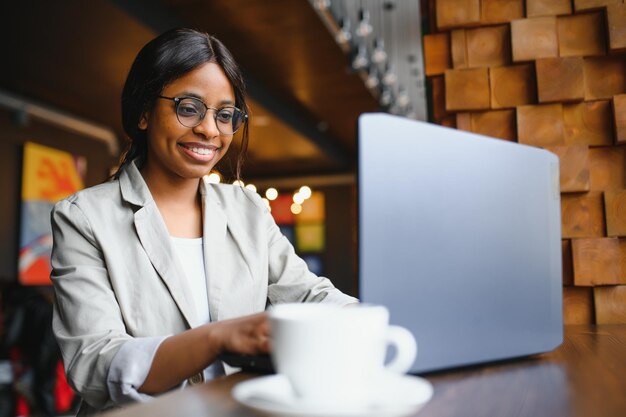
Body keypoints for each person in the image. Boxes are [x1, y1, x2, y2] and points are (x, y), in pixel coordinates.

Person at [49, 28, 358, 416]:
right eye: (189, 107)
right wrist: (216, 338)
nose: (210, 130)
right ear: (144, 112)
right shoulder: (84, 218)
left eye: (225, 115)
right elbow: (95, 364)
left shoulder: (247, 208)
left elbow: (309, 295)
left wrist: (367, 321)